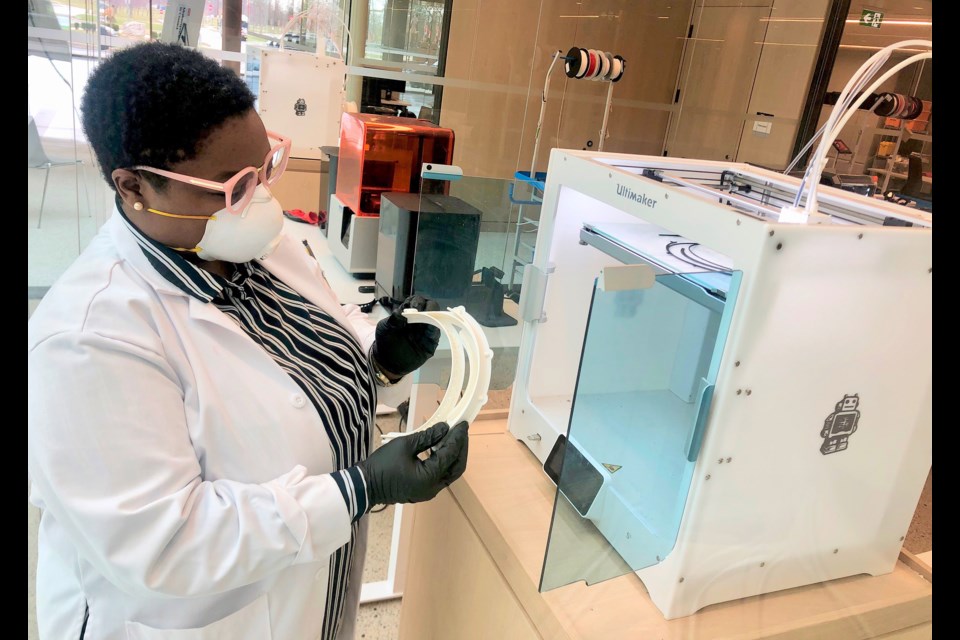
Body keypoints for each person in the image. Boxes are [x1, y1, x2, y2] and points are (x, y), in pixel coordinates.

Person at [27, 41, 469, 640]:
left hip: (315, 592)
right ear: (133, 186)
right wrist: (357, 490)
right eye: (231, 186)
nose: (260, 199)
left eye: (264, 169)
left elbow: (302, 360)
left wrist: (378, 359)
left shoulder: (254, 245)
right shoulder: (86, 340)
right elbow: (163, 545)